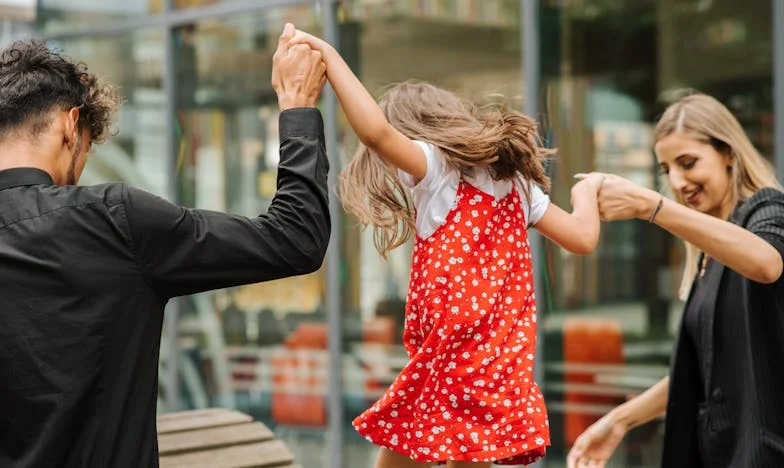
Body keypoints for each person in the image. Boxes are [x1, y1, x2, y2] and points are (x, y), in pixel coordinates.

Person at [0, 24, 329, 468]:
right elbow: (294, 238)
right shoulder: (113, 220)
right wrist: (297, 107)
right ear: (69, 124)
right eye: (86, 150)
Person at [288, 27, 606, 468]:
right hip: (497, 363)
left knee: (402, 455)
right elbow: (584, 239)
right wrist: (590, 190)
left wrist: (329, 54)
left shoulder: (438, 170)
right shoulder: (517, 185)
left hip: (450, 359)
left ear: (418, 133)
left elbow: (375, 133)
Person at [566, 93, 784, 468]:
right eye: (667, 170)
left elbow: (767, 263)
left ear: (728, 153)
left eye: (688, 163)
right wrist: (619, 421)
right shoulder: (708, 251)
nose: (678, 181)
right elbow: (706, 368)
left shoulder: (767, 210)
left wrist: (650, 206)